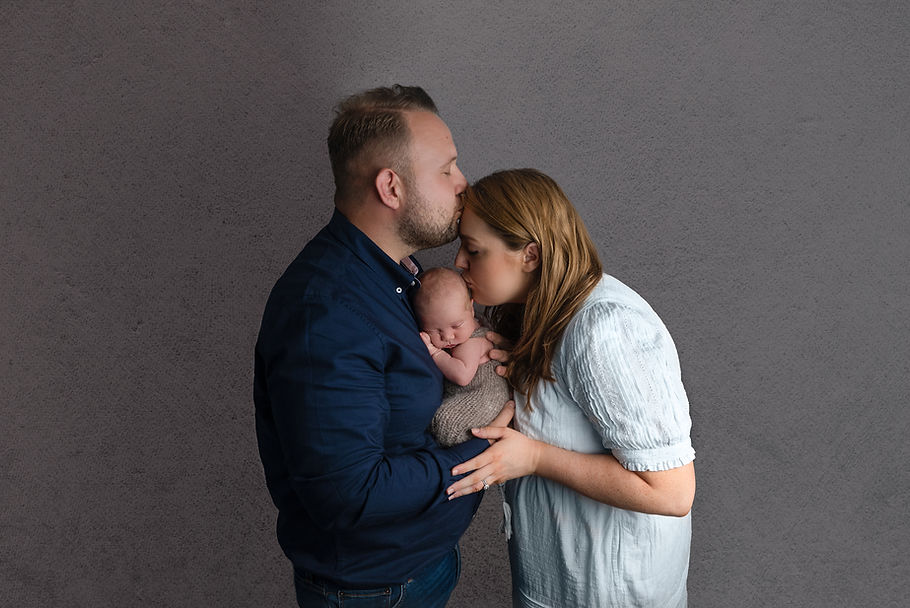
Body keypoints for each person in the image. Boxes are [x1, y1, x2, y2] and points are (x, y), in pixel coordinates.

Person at [253, 85, 507, 608]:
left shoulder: (397, 278)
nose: (464, 185)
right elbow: (352, 494)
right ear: (391, 187)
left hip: (419, 566)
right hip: (375, 593)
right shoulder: (325, 313)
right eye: (447, 169)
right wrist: (488, 450)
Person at [445, 168, 697, 607]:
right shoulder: (540, 317)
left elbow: (673, 492)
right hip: (561, 585)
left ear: (530, 255)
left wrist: (536, 457)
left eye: (473, 249)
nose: (458, 263)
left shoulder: (605, 329)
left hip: (609, 595)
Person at [412, 267, 511, 446]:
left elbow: (462, 375)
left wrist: (435, 351)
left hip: (485, 399)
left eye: (456, 325)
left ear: (471, 310)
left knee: (446, 421)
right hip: (474, 397)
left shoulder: (473, 341)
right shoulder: (461, 333)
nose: (448, 336)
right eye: (435, 330)